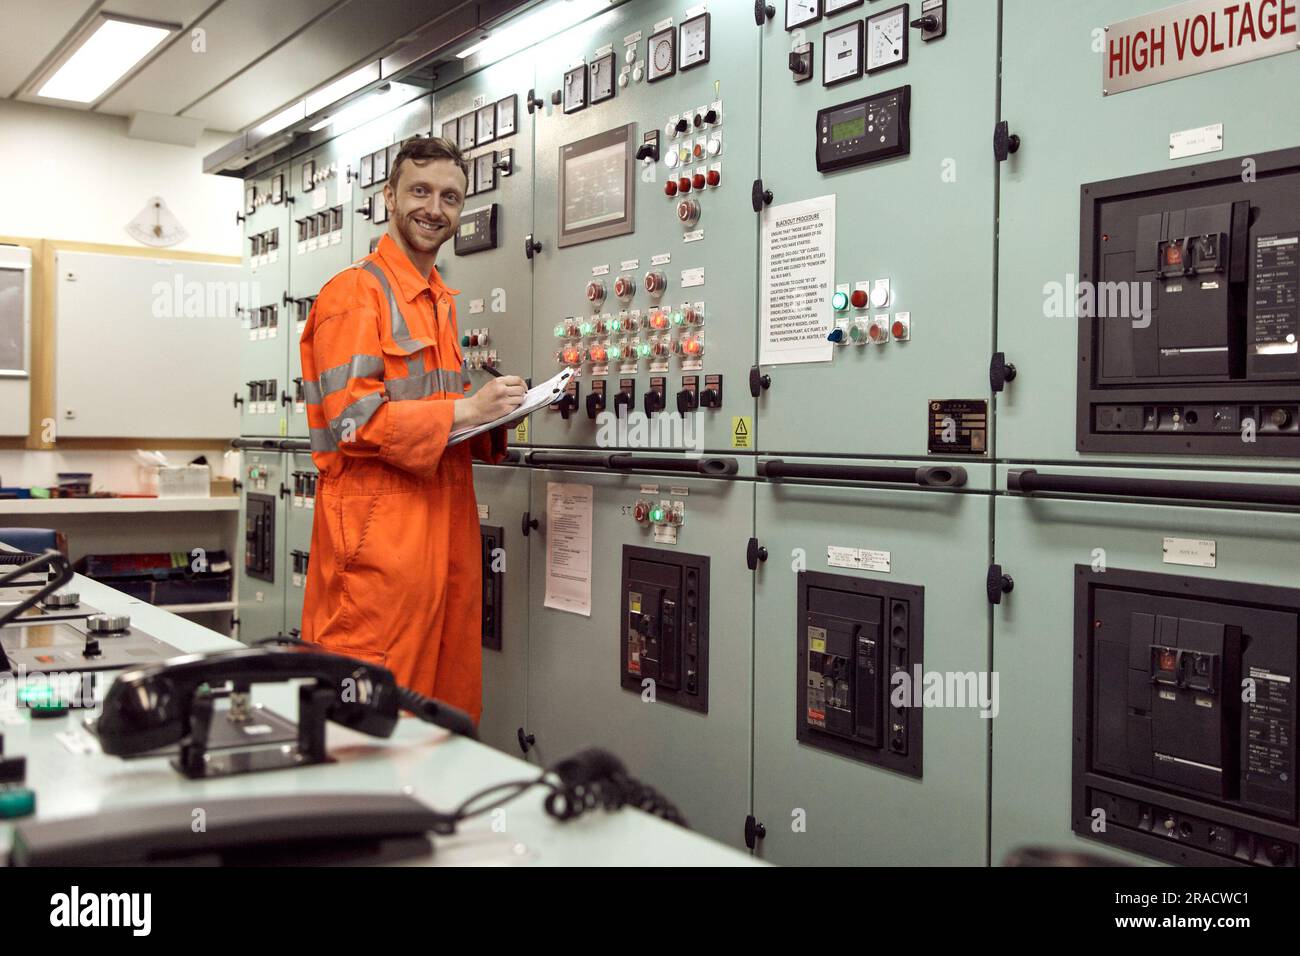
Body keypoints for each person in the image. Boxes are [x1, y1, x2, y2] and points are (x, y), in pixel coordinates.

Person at [298, 136, 526, 723]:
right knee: (370, 720)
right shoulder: (355, 294)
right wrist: (467, 411)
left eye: (450, 197)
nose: (434, 208)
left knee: (440, 716)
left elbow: (439, 424)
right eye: (419, 191)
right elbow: (353, 420)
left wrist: (494, 416)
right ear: (388, 197)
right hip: (380, 545)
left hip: (444, 532)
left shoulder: (438, 303)